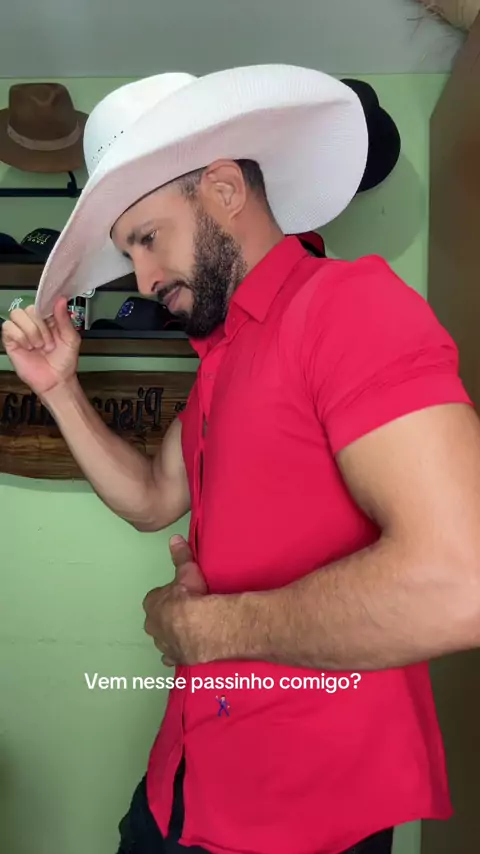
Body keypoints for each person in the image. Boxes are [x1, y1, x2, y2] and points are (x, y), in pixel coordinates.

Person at [2, 65, 480, 854]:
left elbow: (461, 583)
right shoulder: (224, 358)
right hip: (187, 777)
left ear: (223, 189)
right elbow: (154, 498)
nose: (144, 279)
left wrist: (210, 629)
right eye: (128, 253)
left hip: (303, 813)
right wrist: (58, 390)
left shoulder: (347, 306)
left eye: (147, 238)